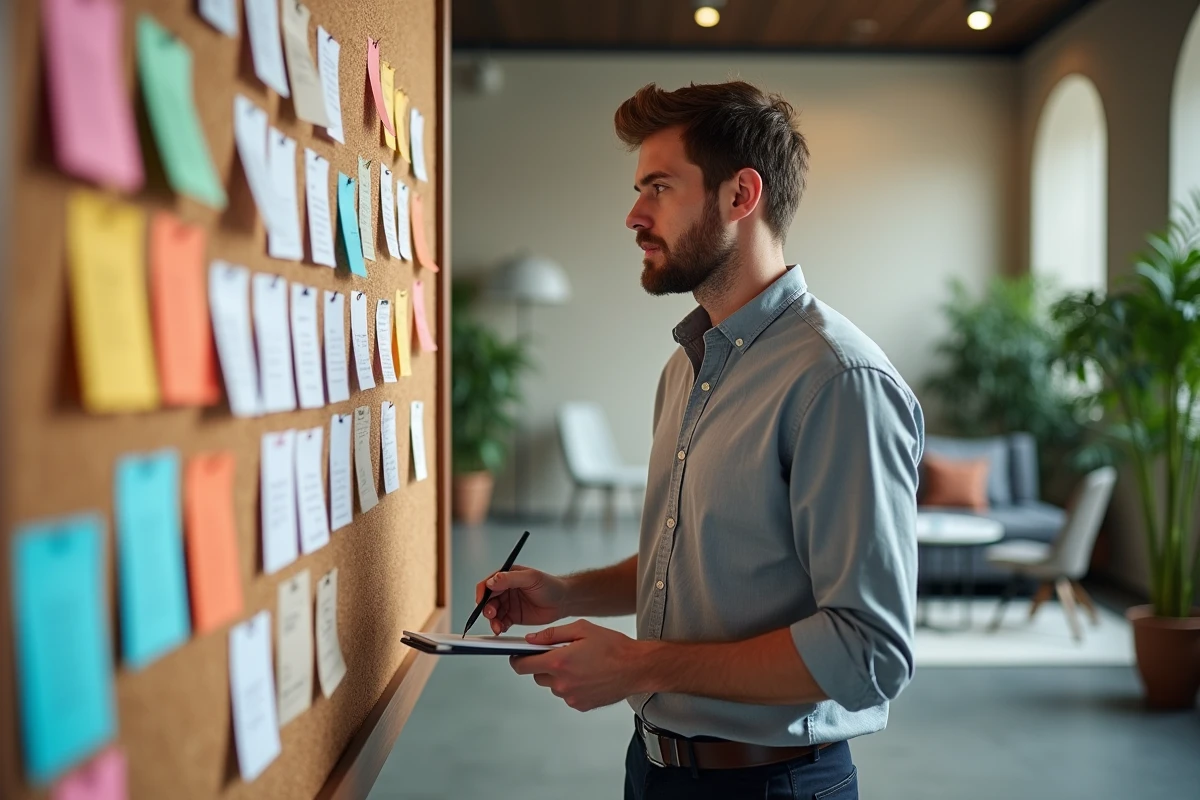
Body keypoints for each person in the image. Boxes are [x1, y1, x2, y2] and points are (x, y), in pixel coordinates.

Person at [474, 80, 925, 800]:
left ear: (740, 196)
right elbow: (692, 556)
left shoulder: (838, 382)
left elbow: (867, 652)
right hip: (653, 770)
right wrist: (564, 591)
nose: (633, 214)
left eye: (659, 187)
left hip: (771, 785)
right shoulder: (685, 371)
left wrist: (642, 665)